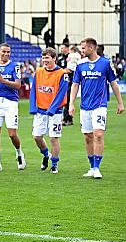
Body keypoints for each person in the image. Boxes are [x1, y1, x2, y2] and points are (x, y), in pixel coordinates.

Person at [69, 37, 124, 179]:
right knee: (87, 137)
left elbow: (113, 83)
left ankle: (97, 168)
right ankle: (91, 166)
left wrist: (120, 103)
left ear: (92, 48)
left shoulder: (105, 63)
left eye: (84, 48)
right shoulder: (80, 65)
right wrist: (71, 104)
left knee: (98, 135)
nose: (82, 51)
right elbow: (75, 85)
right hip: (84, 106)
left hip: (100, 105)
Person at [0, 43, 26, 172]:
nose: (6, 54)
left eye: (8, 52)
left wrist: (2, 80)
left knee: (12, 134)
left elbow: (18, 85)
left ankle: (19, 153)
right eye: (4, 51)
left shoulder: (14, 66)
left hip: (11, 102)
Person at [29, 47, 69, 174]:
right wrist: (32, 107)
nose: (44, 60)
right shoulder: (39, 72)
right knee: (36, 137)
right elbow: (34, 90)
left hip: (55, 112)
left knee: (53, 138)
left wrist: (52, 109)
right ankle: (47, 155)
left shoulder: (62, 74)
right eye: (43, 57)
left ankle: (55, 164)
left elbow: (61, 93)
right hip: (40, 110)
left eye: (47, 58)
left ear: (54, 58)